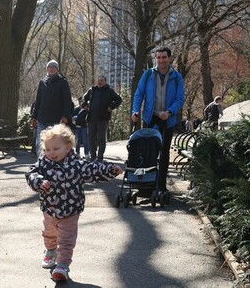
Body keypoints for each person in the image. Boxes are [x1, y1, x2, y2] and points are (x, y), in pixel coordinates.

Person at [25, 124, 122, 281]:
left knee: (66, 239)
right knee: (49, 233)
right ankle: (50, 251)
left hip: (71, 210)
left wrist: (110, 170)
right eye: (48, 149)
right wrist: (39, 182)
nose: (51, 153)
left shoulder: (77, 164)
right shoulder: (43, 163)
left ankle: (62, 265)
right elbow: (31, 174)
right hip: (50, 209)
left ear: (68, 146)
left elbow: (93, 170)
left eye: (56, 149)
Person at [131, 46, 185, 192]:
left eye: (164, 57)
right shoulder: (148, 74)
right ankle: (146, 185)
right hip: (150, 117)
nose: (161, 60)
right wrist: (135, 111)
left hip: (168, 119)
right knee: (147, 150)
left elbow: (180, 99)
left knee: (164, 151)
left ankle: (161, 185)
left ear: (169, 58)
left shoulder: (177, 77)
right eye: (158, 57)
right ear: (156, 59)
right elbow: (139, 94)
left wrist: (169, 112)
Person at [30, 60, 73, 157]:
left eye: (54, 67)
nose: (51, 68)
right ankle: (41, 166)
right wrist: (34, 116)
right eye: (50, 67)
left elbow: (67, 101)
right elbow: (38, 101)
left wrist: (65, 115)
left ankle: (52, 166)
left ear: (57, 69)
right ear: (47, 69)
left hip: (56, 120)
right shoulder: (42, 83)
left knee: (54, 145)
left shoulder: (62, 82)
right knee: (40, 144)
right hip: (42, 119)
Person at [82, 75, 122, 162]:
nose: (100, 82)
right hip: (91, 118)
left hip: (103, 119)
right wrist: (84, 105)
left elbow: (119, 99)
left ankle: (100, 158)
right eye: (99, 80)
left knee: (101, 139)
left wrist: (111, 107)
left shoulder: (109, 91)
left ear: (105, 81)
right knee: (91, 138)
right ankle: (93, 157)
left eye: (102, 80)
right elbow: (83, 98)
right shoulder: (92, 90)